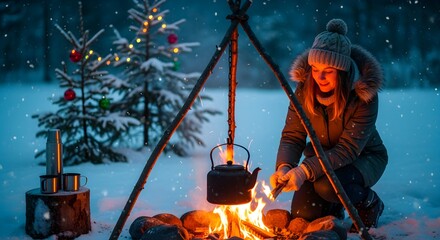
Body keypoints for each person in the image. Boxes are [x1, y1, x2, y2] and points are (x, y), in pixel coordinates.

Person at [270, 18, 388, 230]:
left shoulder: (363, 96)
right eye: (315, 69)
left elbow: (348, 150)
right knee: (303, 214)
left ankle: (370, 203)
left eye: (328, 70)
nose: (319, 77)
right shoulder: (304, 90)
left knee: (327, 186)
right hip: (322, 158)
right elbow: (292, 136)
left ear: (342, 71)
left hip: (363, 157)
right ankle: (335, 208)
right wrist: (284, 166)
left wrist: (305, 170)